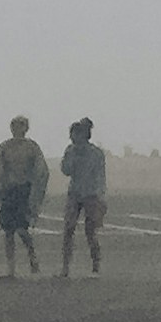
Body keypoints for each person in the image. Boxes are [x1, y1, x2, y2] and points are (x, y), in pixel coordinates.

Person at [0, 115, 48, 279]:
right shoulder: (5, 147)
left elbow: (40, 170)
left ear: (26, 128)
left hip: (24, 190)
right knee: (8, 231)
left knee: (22, 229)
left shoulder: (32, 147)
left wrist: (35, 193)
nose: (17, 128)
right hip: (9, 191)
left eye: (21, 125)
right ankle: (11, 269)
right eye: (15, 125)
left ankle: (32, 257)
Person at [57, 117, 109, 277]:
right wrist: (72, 159)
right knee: (68, 229)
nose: (72, 138)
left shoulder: (95, 153)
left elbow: (100, 176)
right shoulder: (70, 151)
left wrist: (100, 196)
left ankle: (95, 266)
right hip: (75, 193)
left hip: (91, 194)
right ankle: (65, 268)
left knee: (90, 231)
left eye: (75, 134)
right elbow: (65, 170)